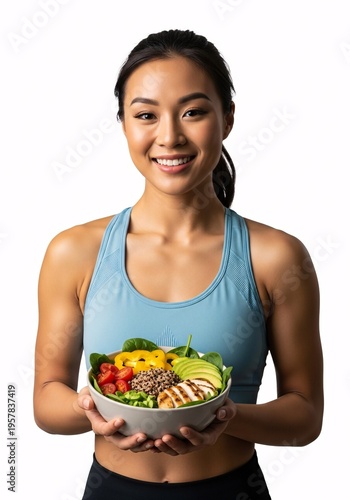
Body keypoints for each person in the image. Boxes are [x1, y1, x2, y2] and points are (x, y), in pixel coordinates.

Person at [33, 29, 323, 499]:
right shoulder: (74, 252)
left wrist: (224, 417)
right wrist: (92, 411)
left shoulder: (276, 257)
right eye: (146, 115)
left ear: (227, 118)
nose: (169, 136)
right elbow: (46, 400)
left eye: (193, 112)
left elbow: (306, 417)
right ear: (124, 124)